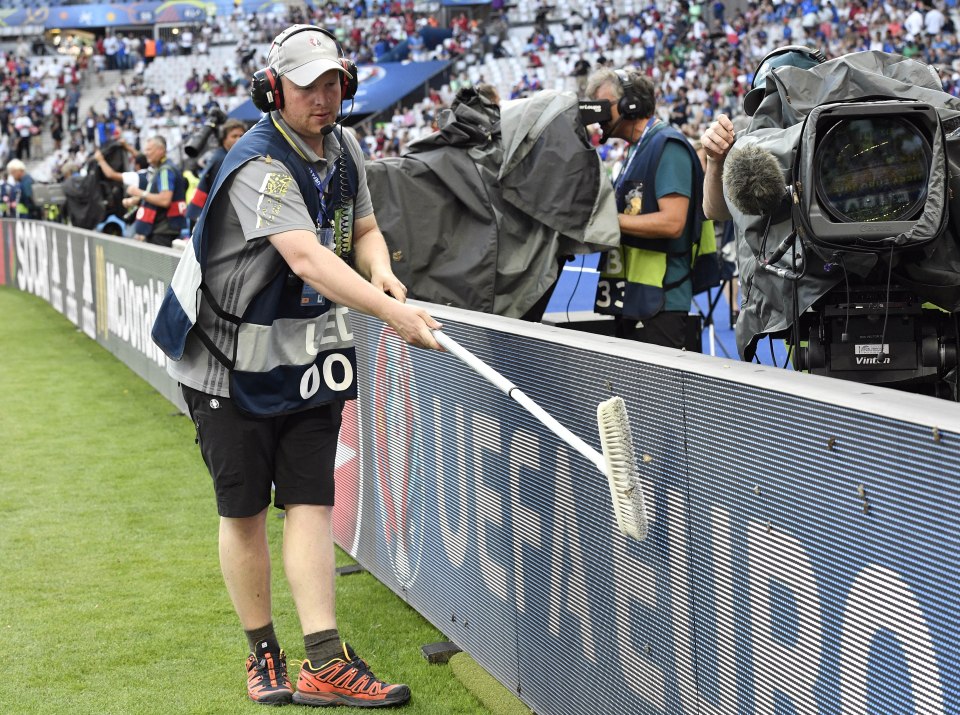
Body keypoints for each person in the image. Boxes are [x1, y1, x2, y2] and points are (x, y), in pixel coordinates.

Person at [150, 24, 442, 708]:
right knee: (245, 511)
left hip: (304, 357)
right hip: (223, 362)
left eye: (334, 82)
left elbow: (361, 229)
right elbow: (307, 258)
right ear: (274, 90)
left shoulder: (345, 149)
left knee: (311, 503)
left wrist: (384, 275)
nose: (325, 96)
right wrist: (391, 313)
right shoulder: (259, 164)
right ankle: (263, 653)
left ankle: (324, 660)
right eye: (309, 85)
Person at [585, 67, 704, 348]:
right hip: (636, 296)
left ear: (630, 104)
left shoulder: (667, 145)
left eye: (603, 107)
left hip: (661, 299)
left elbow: (673, 223)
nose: (596, 117)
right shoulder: (635, 150)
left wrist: (606, 221)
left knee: (659, 390)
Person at [123, 135, 188, 247]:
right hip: (162, 230)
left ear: (161, 150)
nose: (146, 153)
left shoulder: (165, 170)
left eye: (149, 150)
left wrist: (139, 192)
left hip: (162, 232)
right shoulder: (163, 168)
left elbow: (164, 200)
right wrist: (137, 199)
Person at [185, 118, 247, 221]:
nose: (238, 139)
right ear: (224, 139)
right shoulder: (221, 159)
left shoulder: (227, 156)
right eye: (234, 136)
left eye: (241, 136)